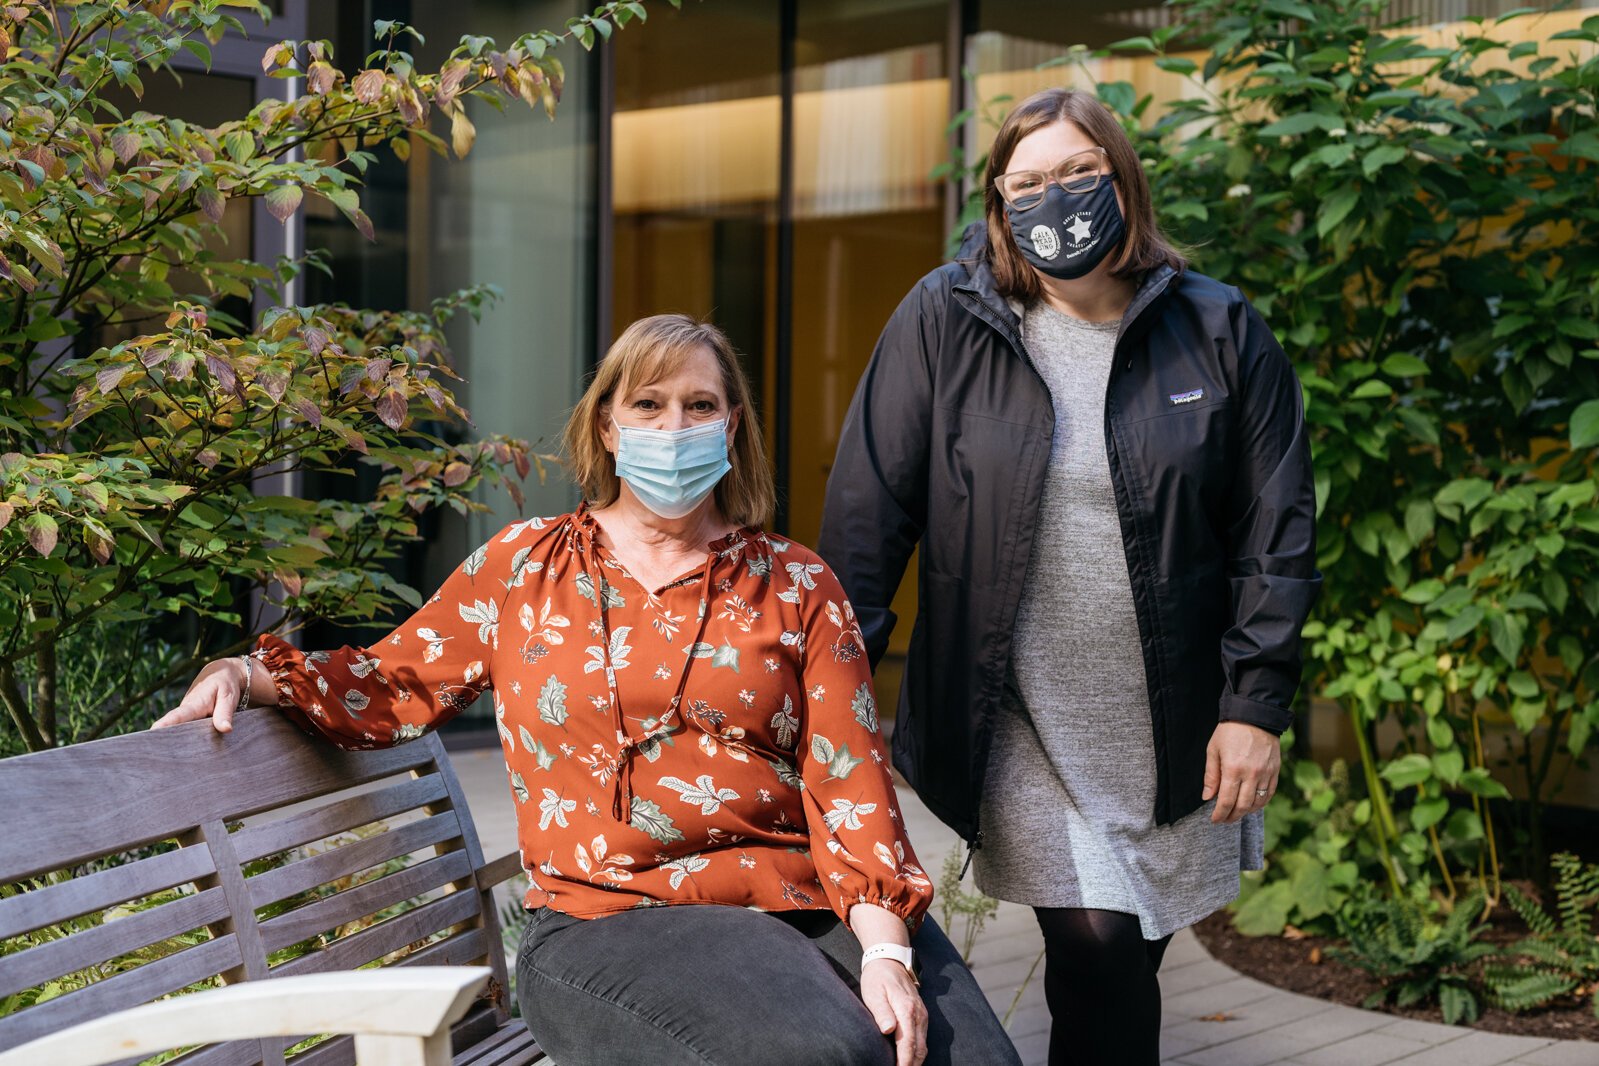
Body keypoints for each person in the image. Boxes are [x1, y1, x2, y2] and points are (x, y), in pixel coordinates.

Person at [155, 313, 1021, 1066]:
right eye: (647, 405)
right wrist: (248, 671)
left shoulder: (795, 583)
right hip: (609, 916)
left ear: (732, 427)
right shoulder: (523, 567)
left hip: (799, 895)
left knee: (961, 1055)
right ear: (607, 426)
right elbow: (394, 681)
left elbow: (848, 778)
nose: (672, 426)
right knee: (814, 1053)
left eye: (699, 406)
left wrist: (884, 954)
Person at [817, 88, 1321, 1066]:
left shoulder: (1218, 330)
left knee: (1126, 954)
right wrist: (829, 701)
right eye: (1030, 182)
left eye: (1079, 172)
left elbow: (1276, 529)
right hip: (1020, 718)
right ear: (1000, 203)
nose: (1058, 198)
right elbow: (868, 514)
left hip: (1171, 726)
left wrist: (1254, 703)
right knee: (1093, 948)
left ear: (1123, 179)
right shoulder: (945, 319)